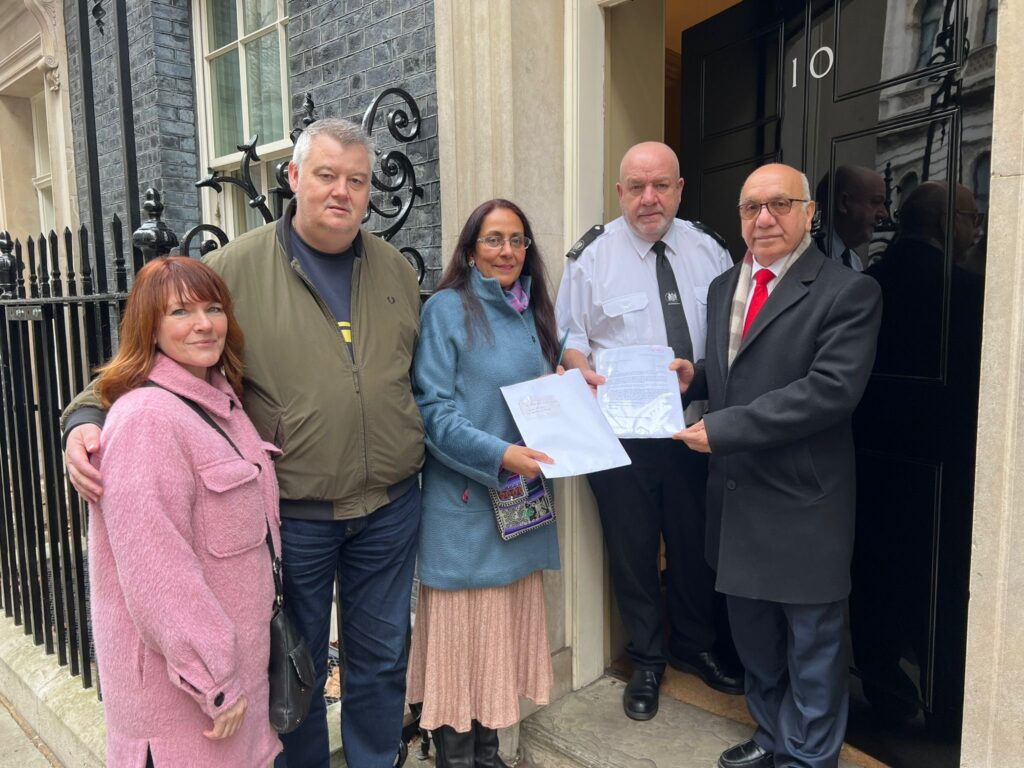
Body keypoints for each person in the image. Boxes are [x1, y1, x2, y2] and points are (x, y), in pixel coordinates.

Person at [62, 118, 423, 768]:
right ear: (293, 178)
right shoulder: (232, 271)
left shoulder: (395, 268)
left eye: (357, 180)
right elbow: (152, 352)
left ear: (370, 191)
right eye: (326, 175)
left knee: (382, 659)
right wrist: (84, 418)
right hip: (295, 517)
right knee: (293, 671)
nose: (342, 191)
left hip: (391, 511)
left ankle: (377, 760)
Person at [676, 163, 882, 768]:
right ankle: (771, 736)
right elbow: (739, 370)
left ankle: (808, 757)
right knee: (755, 642)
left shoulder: (848, 291)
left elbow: (829, 391)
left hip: (803, 502)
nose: (763, 218)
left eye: (780, 204)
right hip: (735, 498)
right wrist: (699, 375)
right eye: (750, 208)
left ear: (810, 212)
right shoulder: (722, 288)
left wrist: (724, 427)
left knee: (814, 647)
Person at [555, 141, 741, 722]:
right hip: (620, 439)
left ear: (680, 189)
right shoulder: (591, 258)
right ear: (619, 193)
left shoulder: (710, 249)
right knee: (633, 551)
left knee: (694, 547)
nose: (649, 198)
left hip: (693, 430)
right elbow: (570, 336)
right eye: (636, 187)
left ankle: (694, 644)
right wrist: (576, 365)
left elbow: (731, 336)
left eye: (661, 185)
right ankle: (648, 660)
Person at [87, 256, 281, 767]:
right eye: (180, 312)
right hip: (187, 702)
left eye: (213, 308)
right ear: (149, 327)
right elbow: (160, 575)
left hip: (236, 680)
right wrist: (214, 679)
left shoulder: (218, 400)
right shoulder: (146, 420)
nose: (204, 324)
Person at [406, 199, 561, 767]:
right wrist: (502, 454)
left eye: (517, 240)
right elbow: (434, 412)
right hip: (467, 508)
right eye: (494, 239)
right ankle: (457, 759)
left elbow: (552, 363)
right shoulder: (448, 309)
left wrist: (574, 369)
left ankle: (489, 759)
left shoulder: (529, 310)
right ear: (470, 250)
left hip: (520, 509)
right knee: (460, 660)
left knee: (494, 656)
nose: (507, 251)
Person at [814, 164, 888, 271]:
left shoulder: (854, 260)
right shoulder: (804, 255)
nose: (884, 214)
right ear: (843, 203)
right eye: (876, 202)